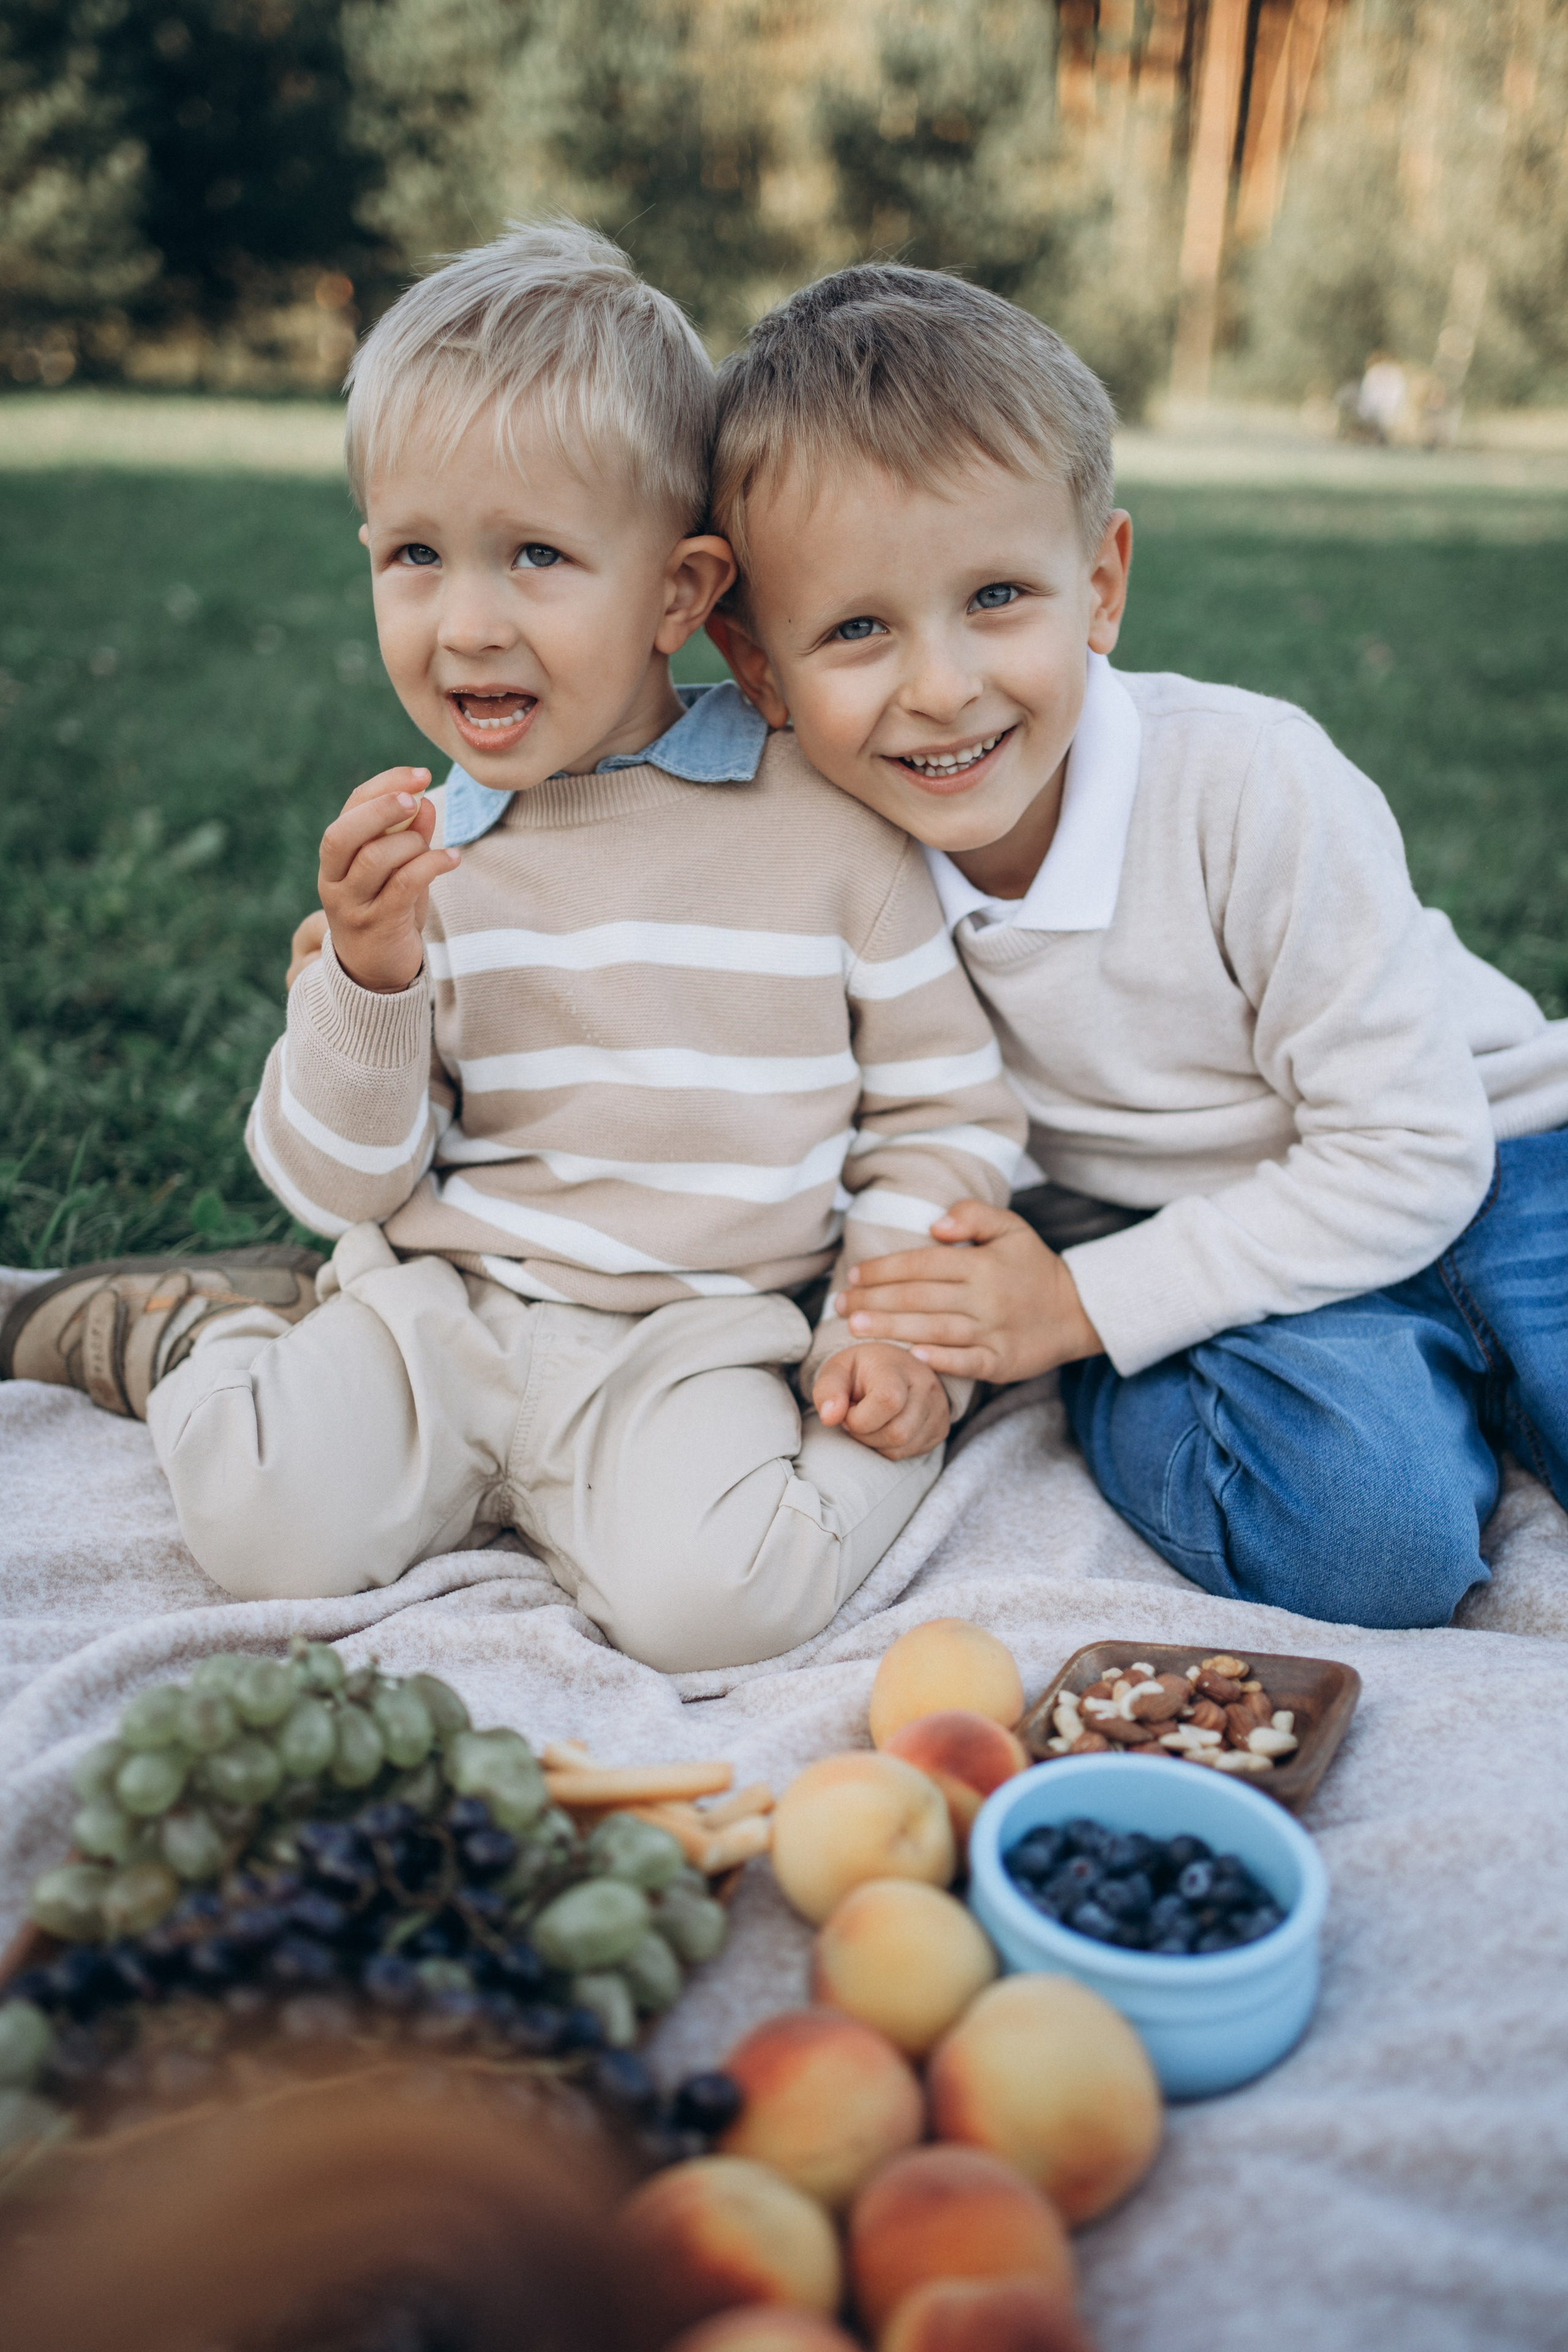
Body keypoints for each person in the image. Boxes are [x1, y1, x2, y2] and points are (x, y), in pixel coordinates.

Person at [1, 227, 1023, 1673]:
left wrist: (886, 1338)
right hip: (452, 1304)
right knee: (256, 1526)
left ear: (678, 593)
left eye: (535, 555)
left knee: (721, 1607)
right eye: (416, 555)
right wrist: (365, 981)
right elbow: (341, 1181)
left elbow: (938, 1108)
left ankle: (893, 1433)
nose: (467, 620)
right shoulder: (421, 859)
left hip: (693, 1335)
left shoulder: (829, 833)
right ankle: (191, 1335)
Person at [699, 264, 1568, 1630]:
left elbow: (1414, 1150)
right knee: (1370, 1544)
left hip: (1491, 1150)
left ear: (1098, 585)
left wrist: (1076, 1303)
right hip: (1184, 1226)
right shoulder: (810, 858)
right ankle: (1182, 1378)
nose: (940, 687)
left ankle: (1443, 1366)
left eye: (996, 596)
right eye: (857, 628)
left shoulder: (1250, 783)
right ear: (758, 668)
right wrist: (1011, 1320)